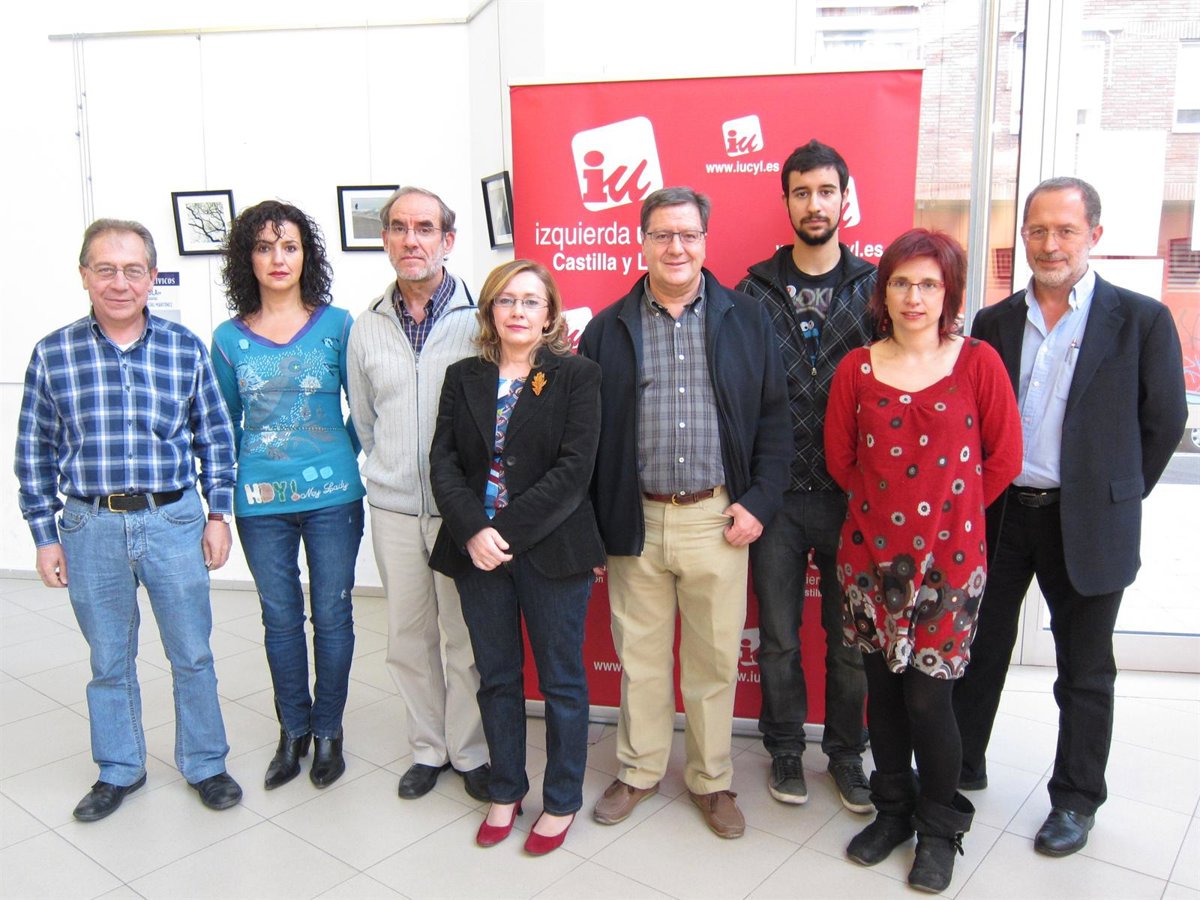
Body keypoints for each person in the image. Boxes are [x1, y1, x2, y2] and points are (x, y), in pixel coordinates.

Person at [952, 177, 1186, 858]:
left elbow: (1164, 421)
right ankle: (962, 763)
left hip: (1087, 520)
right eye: (1037, 230)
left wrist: (1113, 493)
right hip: (1002, 515)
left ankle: (1076, 799)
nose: (1050, 244)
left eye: (1065, 231)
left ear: (1095, 237)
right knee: (977, 649)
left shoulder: (1140, 320)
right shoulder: (995, 322)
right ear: (1023, 236)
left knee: (1084, 670)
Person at [578, 187, 790, 839]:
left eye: (688, 235)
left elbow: (776, 419)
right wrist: (595, 521)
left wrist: (758, 502)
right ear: (641, 241)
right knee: (639, 659)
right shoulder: (607, 328)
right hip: (635, 520)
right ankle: (639, 769)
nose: (676, 247)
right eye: (663, 234)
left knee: (715, 660)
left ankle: (711, 779)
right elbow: (586, 436)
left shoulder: (747, 319)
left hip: (717, 520)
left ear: (705, 241)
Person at [15, 218, 243, 821]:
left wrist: (219, 514)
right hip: (90, 527)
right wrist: (44, 535)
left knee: (192, 652)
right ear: (84, 275)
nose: (120, 283)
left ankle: (206, 763)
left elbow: (216, 438)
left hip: (173, 521)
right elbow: (34, 452)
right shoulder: (53, 353)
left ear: (151, 277)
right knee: (108, 660)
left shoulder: (183, 347)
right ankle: (119, 768)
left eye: (133, 270)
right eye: (106, 269)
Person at [825, 229, 1022, 892]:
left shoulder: (978, 363)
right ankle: (893, 812)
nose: (915, 296)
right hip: (869, 562)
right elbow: (842, 461)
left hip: (949, 567)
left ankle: (940, 830)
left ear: (949, 294)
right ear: (883, 293)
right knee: (881, 694)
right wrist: (891, 517)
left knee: (929, 700)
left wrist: (948, 514)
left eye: (930, 284)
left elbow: (1004, 458)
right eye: (902, 283)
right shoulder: (856, 369)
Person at [429, 260, 604, 855]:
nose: (518, 311)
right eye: (506, 300)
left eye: (531, 301)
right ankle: (505, 790)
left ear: (550, 313)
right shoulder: (464, 376)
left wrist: (499, 532)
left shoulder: (577, 375)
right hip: (476, 554)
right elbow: (445, 463)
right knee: (497, 676)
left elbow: (574, 471)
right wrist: (473, 531)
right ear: (490, 311)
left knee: (561, 682)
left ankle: (562, 799)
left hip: (552, 550)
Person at [736, 139, 876, 811]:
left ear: (844, 199)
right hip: (776, 497)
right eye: (801, 193)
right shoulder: (751, 291)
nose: (814, 204)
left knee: (850, 642)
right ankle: (786, 750)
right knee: (779, 640)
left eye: (826, 191)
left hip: (856, 497)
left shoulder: (878, 287)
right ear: (786, 201)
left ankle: (846, 755)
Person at [212, 201, 366, 790]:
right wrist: (223, 498)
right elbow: (224, 424)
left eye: (290, 246)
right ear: (246, 258)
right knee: (279, 620)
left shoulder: (339, 325)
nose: (278, 258)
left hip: (333, 498)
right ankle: (293, 731)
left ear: (307, 256)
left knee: (332, 615)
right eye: (264, 247)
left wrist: (340, 453)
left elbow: (363, 409)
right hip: (260, 503)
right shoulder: (227, 339)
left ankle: (328, 732)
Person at [346, 186, 490, 802]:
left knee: (465, 637)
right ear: (385, 240)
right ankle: (429, 748)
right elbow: (365, 419)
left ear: (447, 240)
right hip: (395, 510)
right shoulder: (366, 327)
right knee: (408, 638)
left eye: (425, 228)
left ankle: (471, 751)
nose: (412, 239)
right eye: (400, 228)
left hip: (464, 512)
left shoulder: (481, 319)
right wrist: (393, 470)